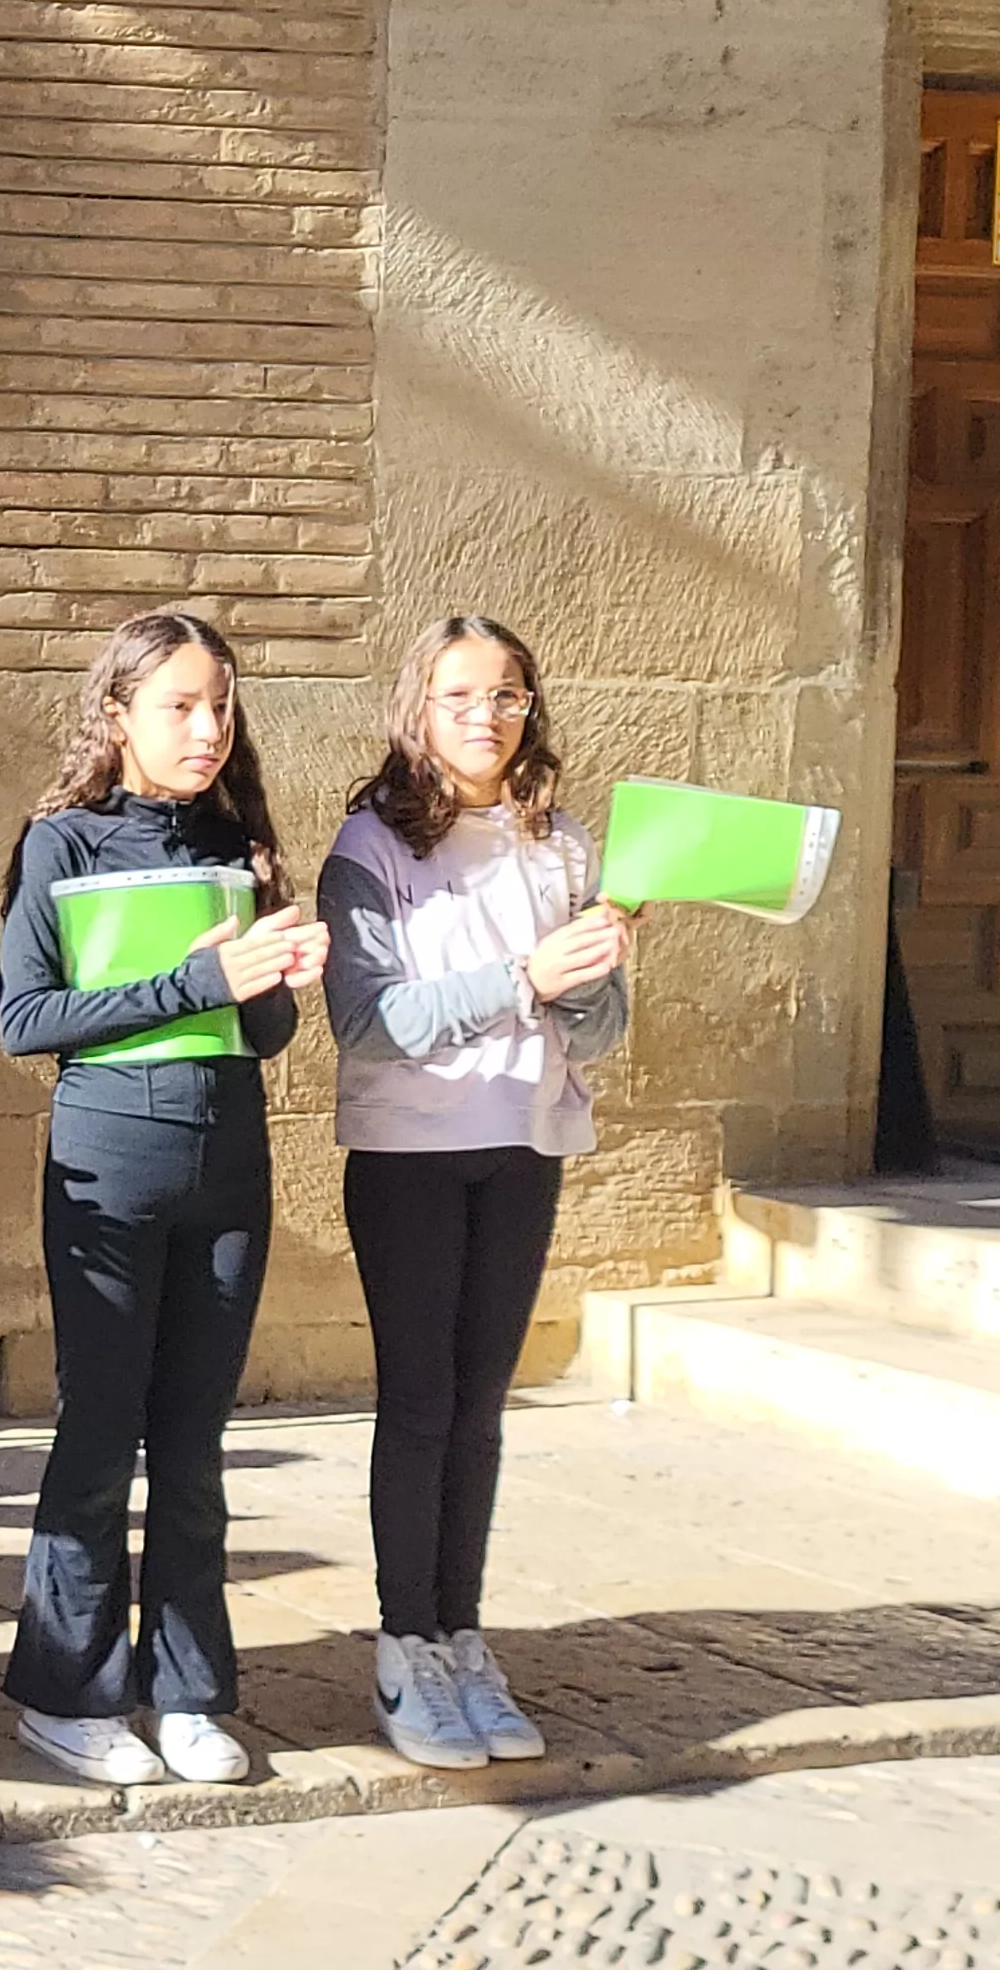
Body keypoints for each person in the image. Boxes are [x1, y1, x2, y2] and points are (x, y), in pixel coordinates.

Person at [0, 608, 326, 1789]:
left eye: (220, 705)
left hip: (228, 1162)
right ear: (119, 714)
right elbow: (23, 1017)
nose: (205, 727)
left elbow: (264, 1031)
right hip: (109, 1163)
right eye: (180, 704)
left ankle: (186, 1689)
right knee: (99, 1429)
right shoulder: (63, 842)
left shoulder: (239, 838)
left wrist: (285, 979)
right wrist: (196, 973)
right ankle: (67, 1690)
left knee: (194, 1440)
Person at [320, 616, 627, 1773]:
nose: (486, 716)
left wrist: (592, 976)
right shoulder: (373, 843)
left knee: (483, 1406)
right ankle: (403, 1645)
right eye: (460, 696)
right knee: (420, 1401)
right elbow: (369, 1018)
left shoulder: (564, 846)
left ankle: (462, 1637)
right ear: (419, 710)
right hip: (409, 1153)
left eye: (506, 694)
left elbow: (600, 1026)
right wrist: (520, 976)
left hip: (523, 1139)